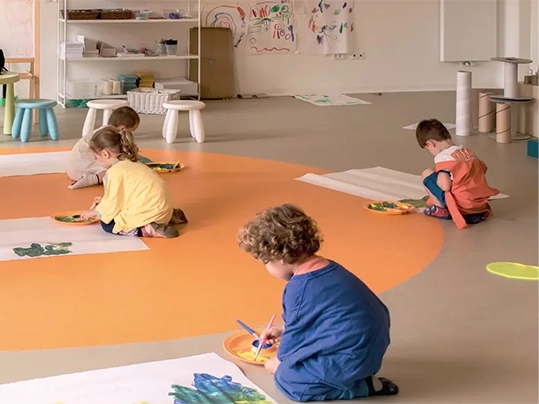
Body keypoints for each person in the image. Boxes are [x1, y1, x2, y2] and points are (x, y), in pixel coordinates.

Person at [237, 204, 398, 402]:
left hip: (352, 360)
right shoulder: (328, 267)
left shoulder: (298, 288)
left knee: (288, 379)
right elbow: (324, 319)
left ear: (279, 257)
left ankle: (360, 387)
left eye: (265, 262)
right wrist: (284, 330)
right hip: (369, 349)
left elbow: (290, 349)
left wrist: (276, 364)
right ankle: (354, 377)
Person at [80, 126, 186, 238]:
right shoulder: (133, 163)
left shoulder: (115, 172)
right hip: (163, 210)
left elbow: (113, 202)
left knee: (108, 224)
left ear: (105, 154)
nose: (97, 162)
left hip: (150, 213)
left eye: (96, 158)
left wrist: (95, 212)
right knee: (115, 214)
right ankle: (168, 217)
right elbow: (130, 193)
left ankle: (147, 229)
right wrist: (103, 200)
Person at [416, 119, 500, 229]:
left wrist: (439, 178)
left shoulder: (443, 157)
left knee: (427, 173)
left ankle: (439, 209)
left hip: (462, 208)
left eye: (428, 150)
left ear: (430, 143)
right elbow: (483, 168)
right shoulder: (467, 151)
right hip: (479, 208)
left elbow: (445, 186)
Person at [66, 106, 150, 190]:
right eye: (132, 131)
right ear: (122, 129)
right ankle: (94, 179)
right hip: (81, 169)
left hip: (73, 167)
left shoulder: (107, 132)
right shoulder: (108, 137)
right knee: (119, 169)